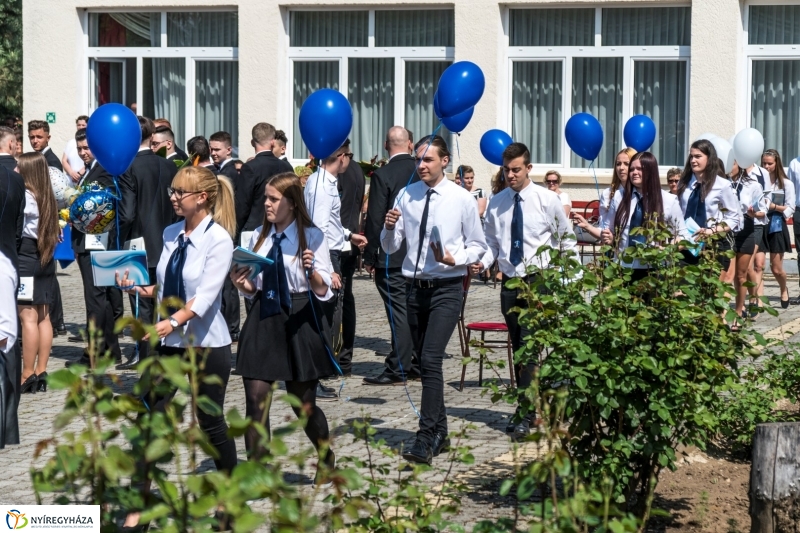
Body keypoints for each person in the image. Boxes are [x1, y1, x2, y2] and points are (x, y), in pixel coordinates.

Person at [117, 166, 238, 531]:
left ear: (202, 198)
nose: (172, 197)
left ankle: (227, 501)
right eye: (172, 191)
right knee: (150, 421)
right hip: (170, 344)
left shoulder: (219, 239)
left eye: (179, 192)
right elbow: (169, 284)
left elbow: (205, 296)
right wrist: (139, 289)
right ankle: (138, 511)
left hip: (206, 344)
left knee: (211, 422)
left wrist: (172, 321)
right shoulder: (171, 233)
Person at [381, 135, 487, 464]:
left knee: (430, 359)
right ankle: (440, 430)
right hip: (413, 288)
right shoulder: (406, 195)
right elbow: (390, 247)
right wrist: (388, 228)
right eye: (418, 159)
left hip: (447, 287)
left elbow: (478, 245)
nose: (421, 165)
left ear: (445, 161)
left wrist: (457, 258)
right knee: (423, 362)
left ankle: (425, 436)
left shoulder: (461, 199)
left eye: (427, 159)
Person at [229, 173, 337, 483]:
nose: (267, 204)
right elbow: (253, 288)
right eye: (266, 197)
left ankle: (325, 456)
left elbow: (324, 290)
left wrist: (312, 272)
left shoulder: (312, 237)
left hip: (299, 318)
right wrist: (243, 284)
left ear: (291, 203)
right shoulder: (256, 237)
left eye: (273, 199)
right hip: (264, 316)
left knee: (304, 406)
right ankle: (258, 474)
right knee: (255, 401)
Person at [470, 142, 576, 439]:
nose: (511, 175)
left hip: (538, 280)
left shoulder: (546, 200)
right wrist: (483, 262)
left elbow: (566, 240)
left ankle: (526, 412)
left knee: (529, 347)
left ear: (529, 168)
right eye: (506, 170)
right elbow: (492, 242)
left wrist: (568, 280)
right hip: (510, 281)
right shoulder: (498, 201)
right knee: (519, 347)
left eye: (516, 169)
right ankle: (532, 405)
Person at [116, 116, 179, 370]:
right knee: (163, 303)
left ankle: (146, 361)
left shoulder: (128, 167)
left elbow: (127, 213)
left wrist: (118, 239)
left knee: (141, 307)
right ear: (151, 136)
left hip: (138, 245)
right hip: (167, 243)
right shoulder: (170, 166)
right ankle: (165, 357)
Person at [304, 141, 365, 398]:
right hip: (325, 255)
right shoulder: (321, 185)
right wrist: (327, 269)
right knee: (325, 318)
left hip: (331, 251)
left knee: (329, 316)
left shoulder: (326, 182)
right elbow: (318, 229)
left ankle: (319, 371)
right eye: (349, 155)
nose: (349, 160)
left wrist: (349, 235)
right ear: (341, 156)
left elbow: (331, 223)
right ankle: (315, 375)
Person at [363, 126, 420, 385]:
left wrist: (370, 256)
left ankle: (399, 366)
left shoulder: (382, 175)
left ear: (386, 146)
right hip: (417, 254)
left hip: (392, 255)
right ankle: (415, 362)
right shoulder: (422, 171)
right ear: (410, 144)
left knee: (398, 312)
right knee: (413, 311)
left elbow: (375, 218)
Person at [66, 129, 123, 367]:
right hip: (88, 243)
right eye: (79, 149)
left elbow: (105, 207)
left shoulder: (105, 171)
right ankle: (111, 350)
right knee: (103, 300)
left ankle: (94, 353)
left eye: (86, 148)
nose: (82, 153)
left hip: (96, 244)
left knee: (95, 300)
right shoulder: (89, 171)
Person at [602, 152, 688, 280]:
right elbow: (609, 229)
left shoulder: (668, 200)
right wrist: (609, 237)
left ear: (651, 171)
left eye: (639, 169)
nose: (634, 172)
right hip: (624, 267)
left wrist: (667, 249)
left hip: (655, 268)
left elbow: (684, 236)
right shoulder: (619, 197)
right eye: (632, 169)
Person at [15, 152, 59, 394]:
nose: (15, 171)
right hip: (45, 258)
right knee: (44, 317)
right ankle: (41, 370)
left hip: (26, 257)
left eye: (19, 168)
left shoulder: (25, 196)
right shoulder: (47, 196)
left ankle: (27, 372)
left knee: (28, 319)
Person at [676, 139, 741, 273]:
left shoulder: (722, 185)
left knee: (706, 283)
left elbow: (733, 218)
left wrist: (711, 231)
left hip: (710, 244)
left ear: (709, 158)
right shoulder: (683, 183)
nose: (693, 160)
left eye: (698, 156)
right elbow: (678, 212)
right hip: (685, 242)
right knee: (683, 283)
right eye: (691, 157)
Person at [0, 129, 25, 448]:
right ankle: (6, 422)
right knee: (6, 338)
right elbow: (18, 229)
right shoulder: (16, 179)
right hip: (6, 258)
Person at [336, 145, 368, 377]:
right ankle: (344, 358)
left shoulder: (342, 170)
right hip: (349, 238)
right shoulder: (356, 168)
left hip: (341, 241)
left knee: (339, 301)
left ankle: (339, 356)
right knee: (346, 298)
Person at [235, 123, 293, 246]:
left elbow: (242, 205)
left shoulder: (250, 167)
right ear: (273, 142)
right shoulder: (286, 166)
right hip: (282, 228)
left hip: (254, 230)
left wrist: (235, 233)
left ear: (252, 143)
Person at [753, 149, 795, 309]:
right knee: (758, 265)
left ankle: (784, 289)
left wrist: (774, 206)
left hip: (776, 224)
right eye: (764, 163)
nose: (766, 166)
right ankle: (758, 300)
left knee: (776, 269)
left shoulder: (786, 183)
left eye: (769, 163)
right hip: (759, 223)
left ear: (777, 164)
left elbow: (790, 208)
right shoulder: (757, 182)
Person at [209, 131, 240, 343]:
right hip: (225, 229)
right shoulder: (220, 170)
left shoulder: (229, 173)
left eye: (217, 149)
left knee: (229, 284)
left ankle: (231, 326)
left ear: (229, 150)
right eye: (211, 149)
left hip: (227, 228)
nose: (213, 153)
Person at [727, 162, 765, 326]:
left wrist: (754, 213)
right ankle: (723, 314)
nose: (729, 165)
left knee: (742, 274)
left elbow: (762, 210)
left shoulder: (753, 185)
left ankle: (740, 308)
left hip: (746, 227)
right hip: (727, 228)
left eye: (733, 162)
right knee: (728, 274)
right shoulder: (721, 183)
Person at [574, 148, 637, 240]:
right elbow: (604, 230)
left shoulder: (642, 192)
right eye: (618, 164)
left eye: (626, 164)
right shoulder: (608, 193)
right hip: (617, 246)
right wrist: (587, 226)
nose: (621, 168)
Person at [61, 116, 89, 182]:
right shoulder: (70, 142)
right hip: (70, 179)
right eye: (78, 125)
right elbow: (64, 160)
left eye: (83, 125)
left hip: (84, 178)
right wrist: (71, 173)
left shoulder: (90, 141)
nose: (80, 127)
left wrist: (79, 174)